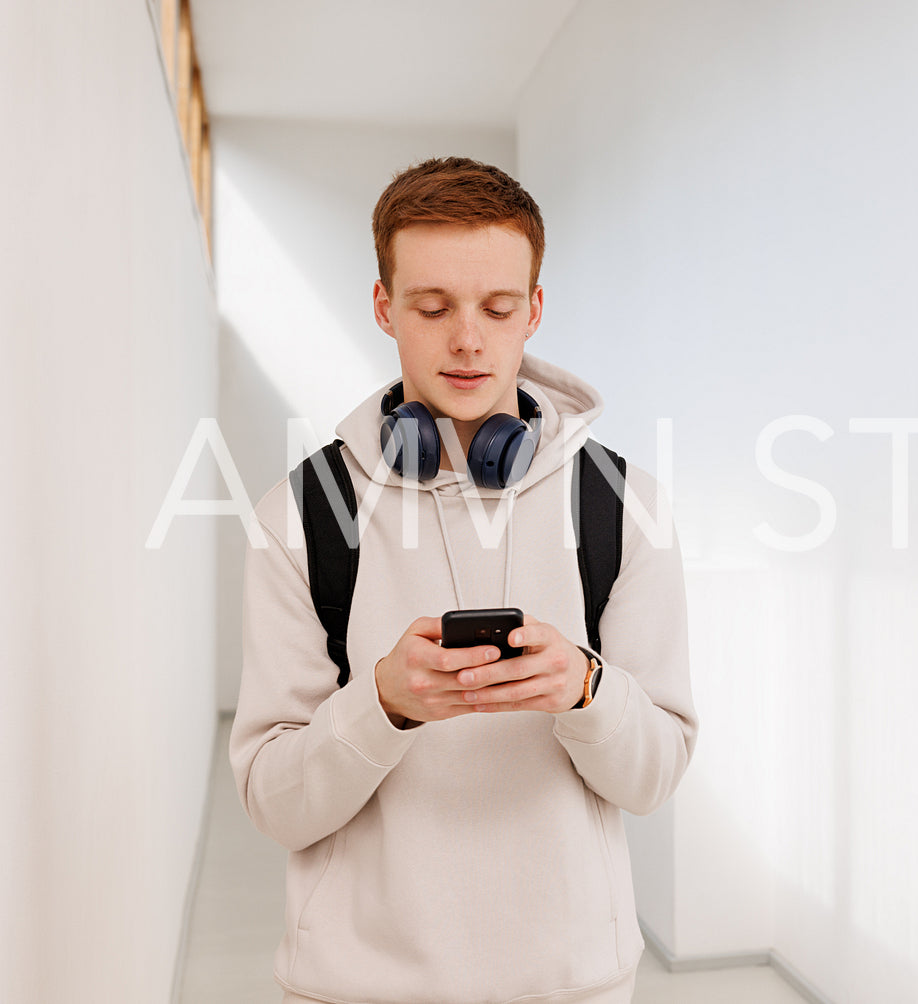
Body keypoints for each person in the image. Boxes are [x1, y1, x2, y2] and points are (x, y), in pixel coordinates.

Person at [229, 157, 697, 1004]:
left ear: (535, 311)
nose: (469, 339)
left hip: (573, 984)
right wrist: (383, 704)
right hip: (357, 987)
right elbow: (274, 802)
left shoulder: (624, 507)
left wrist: (587, 690)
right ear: (384, 308)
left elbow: (653, 777)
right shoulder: (300, 515)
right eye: (433, 306)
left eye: (498, 307)